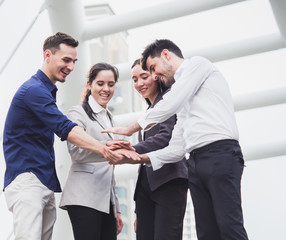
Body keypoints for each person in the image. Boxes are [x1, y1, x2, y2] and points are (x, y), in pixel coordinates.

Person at [103, 39, 249, 240]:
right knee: (206, 233)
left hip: (221, 154)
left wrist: (131, 128)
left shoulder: (198, 65)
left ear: (166, 55)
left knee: (229, 227)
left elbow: (170, 103)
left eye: (153, 68)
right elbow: (176, 149)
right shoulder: (182, 101)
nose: (155, 76)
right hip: (195, 163)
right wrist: (137, 157)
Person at [2, 32, 138, 240]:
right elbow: (66, 128)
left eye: (74, 61)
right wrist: (104, 148)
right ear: (47, 55)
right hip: (27, 179)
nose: (71, 67)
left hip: (44, 181)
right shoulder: (33, 91)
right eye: (66, 60)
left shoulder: (47, 92)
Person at [59, 63, 124, 240]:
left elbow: (109, 169)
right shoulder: (78, 113)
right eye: (100, 83)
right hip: (84, 197)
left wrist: (116, 208)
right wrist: (108, 148)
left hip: (106, 202)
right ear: (89, 85)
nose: (106, 89)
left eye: (111, 84)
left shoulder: (110, 118)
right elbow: (76, 151)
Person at [131, 59, 188, 240]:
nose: (139, 83)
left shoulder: (170, 101)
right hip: (146, 189)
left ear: (156, 76)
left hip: (169, 182)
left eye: (144, 76)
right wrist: (138, 211)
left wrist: (131, 150)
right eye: (134, 79)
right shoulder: (148, 112)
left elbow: (166, 137)